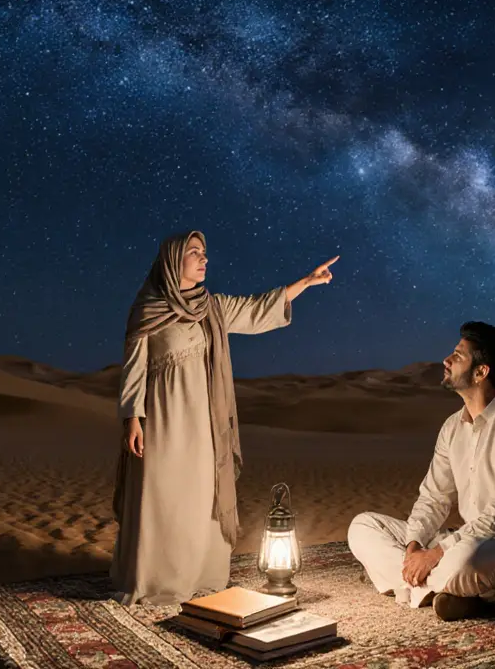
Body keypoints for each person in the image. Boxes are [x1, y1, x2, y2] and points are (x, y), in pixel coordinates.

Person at [110, 230, 338, 605]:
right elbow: (133, 368)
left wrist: (307, 282)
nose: (204, 259)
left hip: (204, 424)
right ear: (173, 261)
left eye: (205, 253)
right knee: (163, 495)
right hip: (162, 421)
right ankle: (157, 578)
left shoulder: (212, 308)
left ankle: (198, 575)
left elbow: (258, 308)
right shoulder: (148, 308)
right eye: (194, 253)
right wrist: (132, 416)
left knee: (199, 497)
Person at [347, 321, 495, 621]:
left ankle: (416, 588)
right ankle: (444, 593)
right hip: (463, 540)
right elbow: (433, 497)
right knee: (363, 526)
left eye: (458, 356)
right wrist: (414, 548)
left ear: (481, 372)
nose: (446, 360)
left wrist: (435, 555)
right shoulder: (451, 427)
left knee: (469, 557)